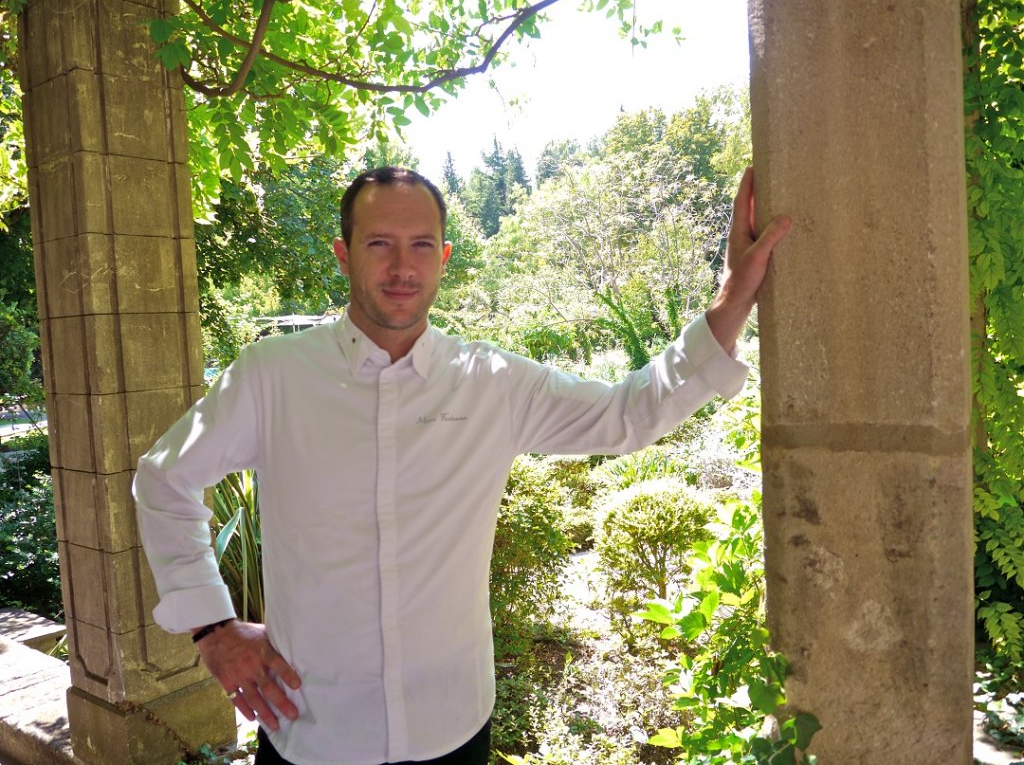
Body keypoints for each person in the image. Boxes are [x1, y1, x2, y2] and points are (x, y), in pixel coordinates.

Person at [134, 165, 791, 765]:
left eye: (421, 245)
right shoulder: (273, 377)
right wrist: (213, 627)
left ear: (443, 258)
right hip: (313, 732)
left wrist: (731, 299)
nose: (401, 266)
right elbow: (166, 479)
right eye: (378, 244)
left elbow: (629, 413)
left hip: (452, 731)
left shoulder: (491, 382)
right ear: (342, 254)